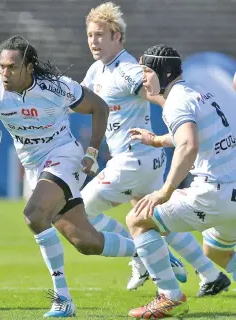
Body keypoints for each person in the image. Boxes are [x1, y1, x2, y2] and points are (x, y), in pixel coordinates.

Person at [0, 35, 139, 318]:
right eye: (1, 66)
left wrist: (92, 151)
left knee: (34, 214)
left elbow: (99, 106)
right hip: (35, 168)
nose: (4, 73)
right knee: (86, 242)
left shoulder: (56, 88)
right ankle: (147, 252)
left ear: (29, 67)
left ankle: (62, 299)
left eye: (11, 67)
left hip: (65, 156)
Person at [80, 2, 225, 295]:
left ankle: (144, 255)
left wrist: (180, 116)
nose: (94, 41)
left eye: (100, 35)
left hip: (133, 160)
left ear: (117, 36)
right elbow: (81, 101)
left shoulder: (128, 70)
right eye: (90, 35)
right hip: (145, 159)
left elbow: (156, 95)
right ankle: (211, 275)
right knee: (154, 217)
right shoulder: (97, 70)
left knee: (80, 211)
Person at [126, 44, 234, 318]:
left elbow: (189, 144)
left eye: (147, 71)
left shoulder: (176, 101)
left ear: (164, 73)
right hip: (232, 192)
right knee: (216, 250)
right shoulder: (199, 92)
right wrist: (156, 140)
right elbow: (193, 135)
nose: (143, 77)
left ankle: (170, 297)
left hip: (214, 193)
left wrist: (165, 190)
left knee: (138, 220)